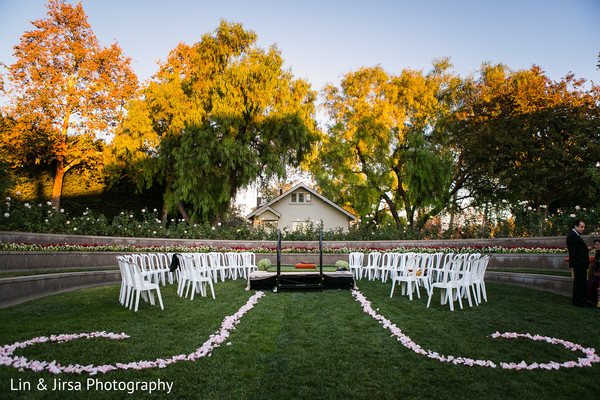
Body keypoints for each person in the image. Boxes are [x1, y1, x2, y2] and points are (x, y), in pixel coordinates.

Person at [566, 220, 592, 307]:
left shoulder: (575, 235)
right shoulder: (572, 236)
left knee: (581, 282)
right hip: (579, 264)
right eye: (581, 227)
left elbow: (578, 249)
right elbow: (574, 252)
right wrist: (580, 262)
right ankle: (580, 302)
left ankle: (581, 301)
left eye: (584, 227)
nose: (583, 229)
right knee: (579, 283)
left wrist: (586, 249)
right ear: (575, 226)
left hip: (580, 263)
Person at [587, 240, 600, 306]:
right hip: (596, 274)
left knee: (594, 282)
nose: (595, 246)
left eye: (597, 245)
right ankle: (591, 300)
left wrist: (597, 273)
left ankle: (593, 301)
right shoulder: (597, 254)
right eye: (595, 245)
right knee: (590, 281)